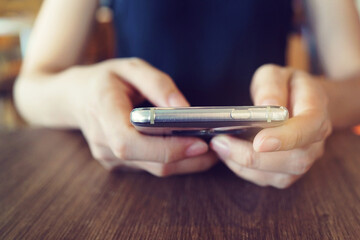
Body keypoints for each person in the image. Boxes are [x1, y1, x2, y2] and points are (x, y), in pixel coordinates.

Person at [14, 0, 360, 188]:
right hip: (133, 182)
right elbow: (30, 86)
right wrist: (81, 97)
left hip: (271, 173)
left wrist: (318, 99)